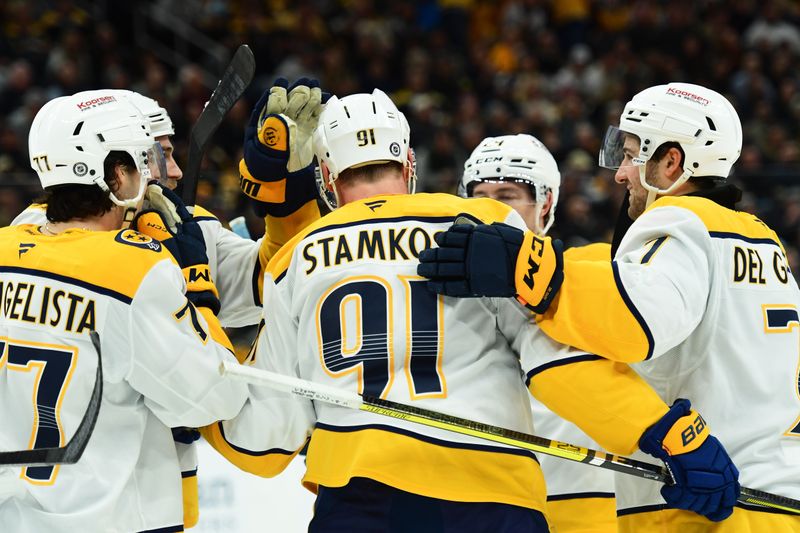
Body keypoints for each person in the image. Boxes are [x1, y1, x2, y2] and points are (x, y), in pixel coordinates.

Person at [200, 89, 738, 531]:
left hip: (359, 505)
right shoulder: (482, 226)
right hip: (490, 498)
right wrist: (668, 435)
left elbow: (261, 442)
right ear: (409, 163)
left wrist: (195, 319)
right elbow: (558, 365)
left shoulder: (294, 261)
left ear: (325, 174)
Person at [419, 82, 798, 531]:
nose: (620, 174)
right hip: (774, 492)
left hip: (705, 499)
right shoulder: (762, 241)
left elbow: (635, 320)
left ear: (671, 162)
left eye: (633, 155)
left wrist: (528, 268)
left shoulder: (678, 223)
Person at [9, 80, 327, 527]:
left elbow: (260, 275)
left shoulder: (15, 241)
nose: (174, 171)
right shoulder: (139, 265)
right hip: (114, 515)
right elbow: (218, 395)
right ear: (116, 171)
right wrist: (195, 288)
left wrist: (285, 206)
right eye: (157, 156)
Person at [460, 134, 617, 532]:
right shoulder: (452, 292)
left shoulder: (588, 274)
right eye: (479, 196)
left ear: (545, 203)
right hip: (486, 501)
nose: (490, 209)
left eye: (507, 196)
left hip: (584, 499)